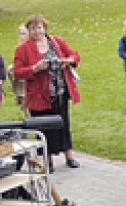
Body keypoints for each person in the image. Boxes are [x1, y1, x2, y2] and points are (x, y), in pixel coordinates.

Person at [12, 14, 82, 169]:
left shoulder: (56, 42)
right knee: (43, 127)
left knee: (63, 124)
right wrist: (35, 69)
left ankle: (69, 155)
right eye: (33, 29)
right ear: (29, 31)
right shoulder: (23, 49)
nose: (37, 31)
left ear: (44, 28)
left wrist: (68, 60)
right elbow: (17, 72)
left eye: (39, 28)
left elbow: (74, 55)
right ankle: (47, 159)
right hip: (39, 95)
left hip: (60, 91)